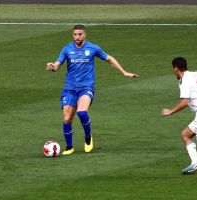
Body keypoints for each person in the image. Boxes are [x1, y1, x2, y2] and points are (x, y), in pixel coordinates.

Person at [46, 24, 138, 155]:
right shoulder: (67, 49)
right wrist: (52, 67)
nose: (77, 37)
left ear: (85, 35)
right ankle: (69, 147)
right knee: (67, 119)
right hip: (70, 88)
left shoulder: (93, 48)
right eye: (75, 34)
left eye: (79, 34)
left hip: (86, 87)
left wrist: (123, 72)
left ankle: (88, 137)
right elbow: (57, 65)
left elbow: (109, 59)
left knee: (82, 112)